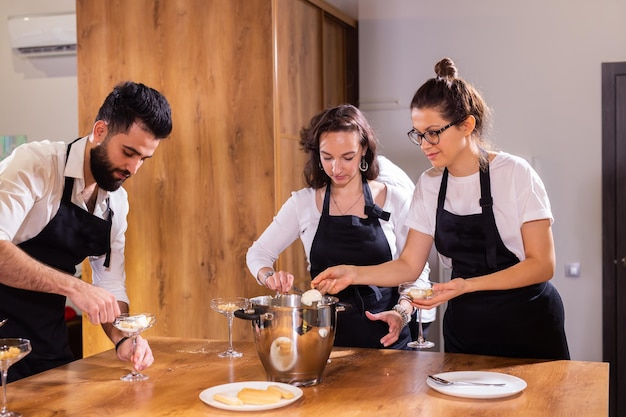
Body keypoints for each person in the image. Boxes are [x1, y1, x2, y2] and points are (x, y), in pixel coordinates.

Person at [312, 58, 570, 360]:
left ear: (467, 125)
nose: (424, 144)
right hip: (467, 327)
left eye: (433, 132)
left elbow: (542, 265)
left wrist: (465, 285)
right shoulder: (430, 184)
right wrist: (352, 273)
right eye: (418, 134)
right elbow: (408, 265)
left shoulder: (515, 174)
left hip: (529, 323)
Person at [0, 81, 173, 381]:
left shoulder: (117, 202)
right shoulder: (36, 166)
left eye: (143, 159)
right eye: (128, 152)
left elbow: (110, 284)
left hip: (46, 346)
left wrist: (124, 337)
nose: (133, 169)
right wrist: (75, 287)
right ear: (100, 132)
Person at [246, 104, 433, 350]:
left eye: (347, 157)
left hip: (387, 340)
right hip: (323, 340)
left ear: (364, 150)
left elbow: (416, 272)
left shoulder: (395, 199)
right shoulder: (303, 203)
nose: (336, 168)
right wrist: (270, 276)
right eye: (327, 158)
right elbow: (258, 253)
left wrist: (402, 312)